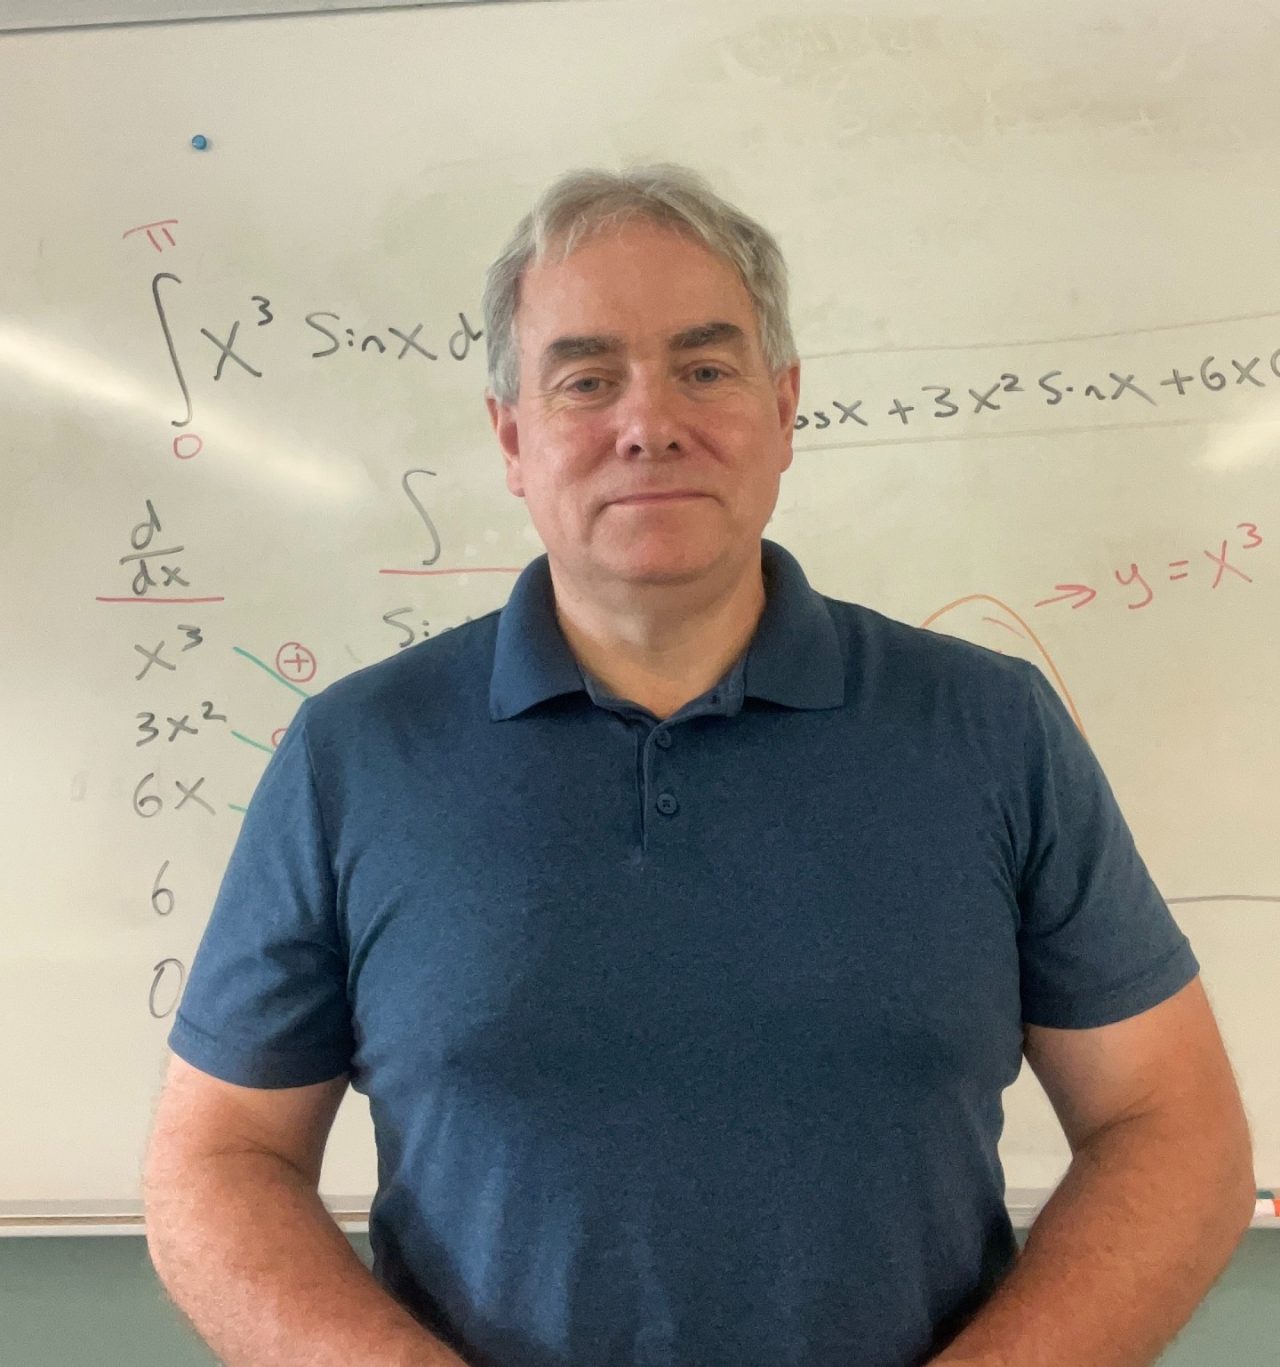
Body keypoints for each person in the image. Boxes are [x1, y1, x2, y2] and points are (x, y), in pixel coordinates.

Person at [143, 164, 1255, 1367]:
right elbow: (218, 1156)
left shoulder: (989, 728)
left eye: (705, 368)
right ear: (511, 436)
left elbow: (1170, 1125)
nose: (649, 422)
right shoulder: (355, 754)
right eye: (585, 378)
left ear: (783, 408)